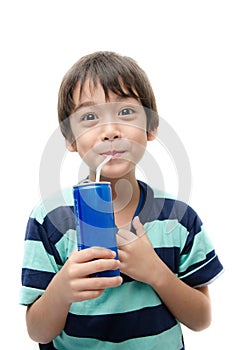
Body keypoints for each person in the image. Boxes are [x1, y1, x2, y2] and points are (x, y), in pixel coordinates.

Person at [20, 51, 223, 350]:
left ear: (151, 128)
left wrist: (156, 273)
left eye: (126, 112)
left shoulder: (178, 219)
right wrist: (61, 290)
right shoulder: (50, 218)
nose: (110, 131)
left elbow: (201, 319)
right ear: (70, 140)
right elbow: (38, 331)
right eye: (89, 117)